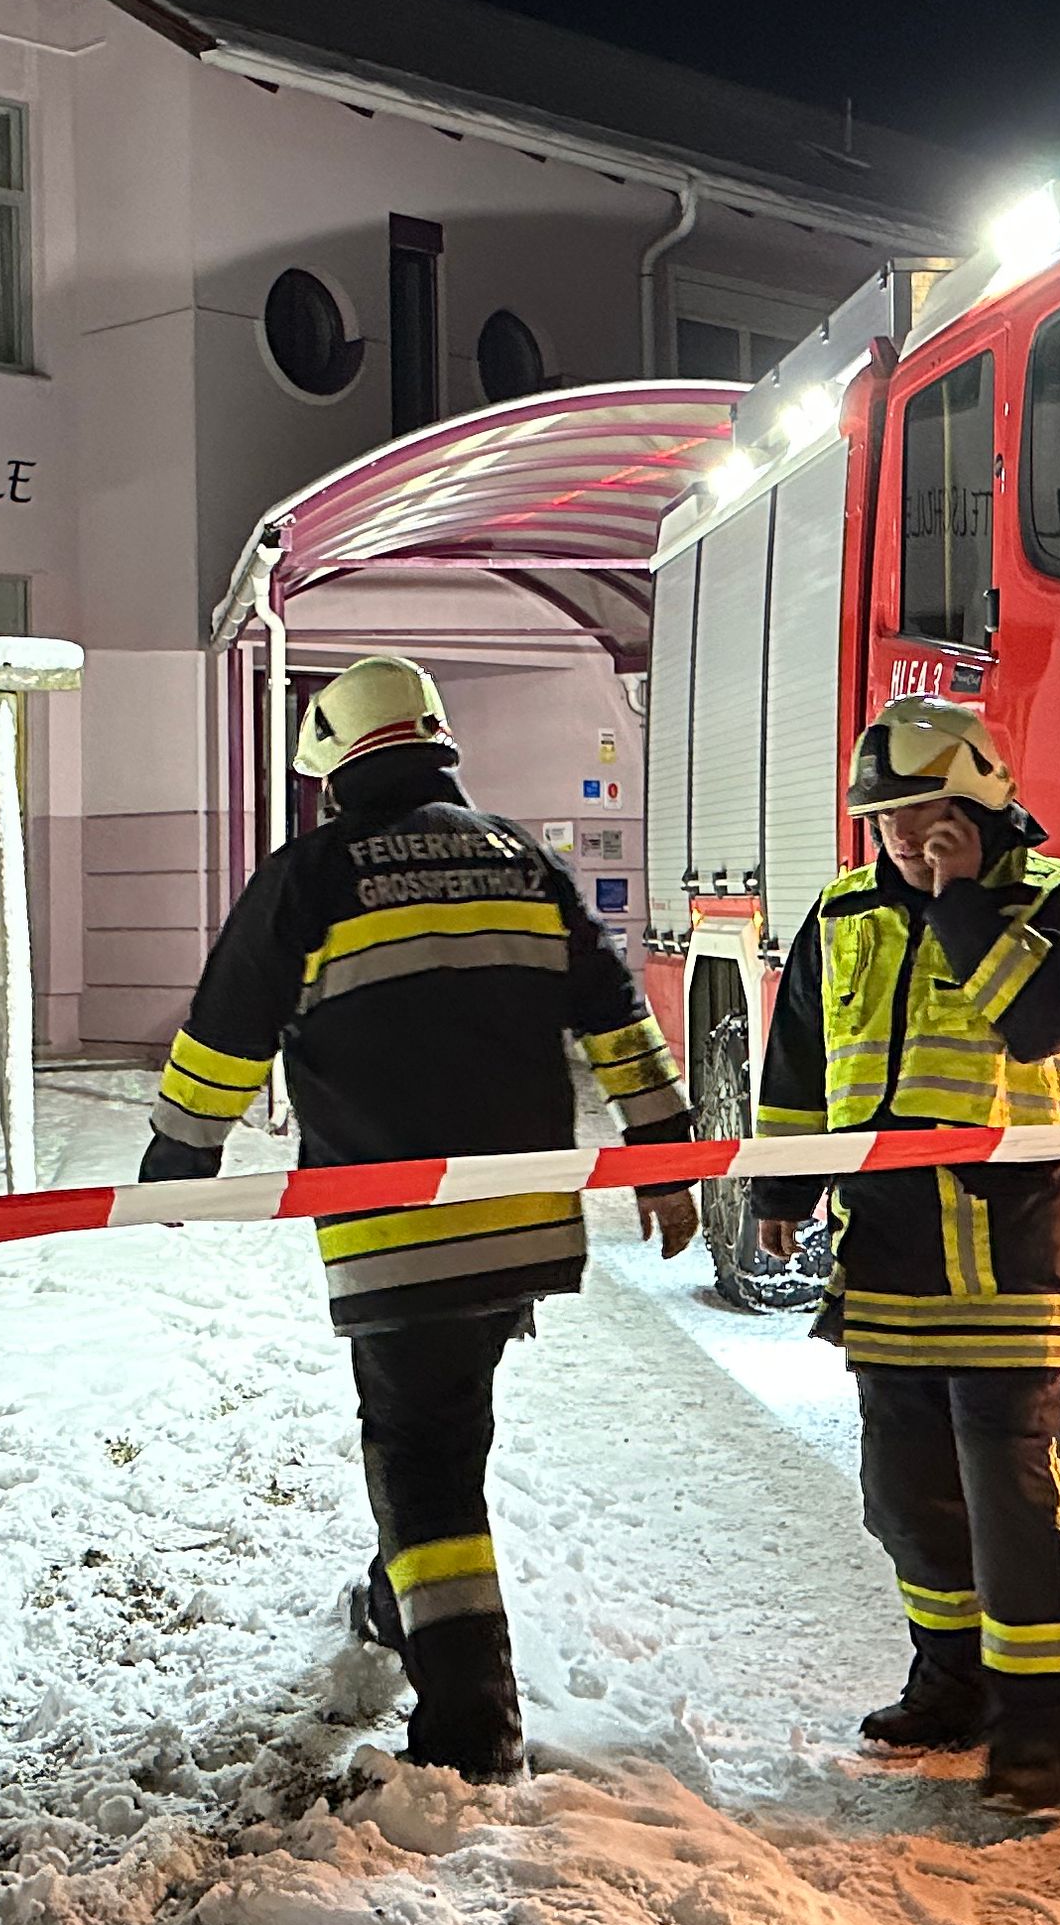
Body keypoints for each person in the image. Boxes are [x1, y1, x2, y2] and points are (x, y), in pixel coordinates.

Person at [139, 654, 699, 1780]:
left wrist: (178, 1155)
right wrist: (666, 1156)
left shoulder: (313, 875)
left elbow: (228, 1025)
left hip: (393, 1229)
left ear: (332, 769)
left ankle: (469, 1718)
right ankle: (405, 1603)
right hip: (522, 1221)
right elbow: (615, 1013)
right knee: (450, 1429)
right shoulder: (522, 859)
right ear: (434, 745)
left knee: (423, 1456)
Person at [748, 697, 1060, 1817]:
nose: (902, 839)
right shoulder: (843, 910)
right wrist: (782, 1184)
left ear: (982, 801)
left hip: (1006, 1253)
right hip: (889, 1252)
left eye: (924, 816)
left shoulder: (1059, 910)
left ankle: (1042, 1734)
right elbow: (803, 1059)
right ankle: (948, 1685)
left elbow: (1038, 1025)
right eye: (887, 820)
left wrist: (960, 904)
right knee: (903, 1494)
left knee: (1009, 1494)